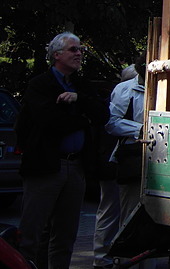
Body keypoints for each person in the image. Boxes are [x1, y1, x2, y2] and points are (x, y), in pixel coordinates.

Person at [15, 32, 109, 269]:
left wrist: (78, 100)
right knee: (33, 233)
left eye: (80, 50)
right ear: (56, 55)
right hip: (46, 166)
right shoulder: (40, 84)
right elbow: (50, 122)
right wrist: (84, 119)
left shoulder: (81, 85)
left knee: (66, 234)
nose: (79, 54)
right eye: (73, 49)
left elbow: (103, 114)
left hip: (76, 166)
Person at [105, 55, 155, 268]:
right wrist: (142, 129)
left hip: (158, 158)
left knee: (154, 214)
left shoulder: (164, 84)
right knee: (130, 215)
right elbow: (112, 123)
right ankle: (125, 261)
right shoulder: (125, 89)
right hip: (134, 156)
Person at [92, 67, 135, 269]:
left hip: (117, 160)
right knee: (110, 209)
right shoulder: (122, 95)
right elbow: (112, 126)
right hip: (113, 161)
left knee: (113, 210)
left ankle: (106, 256)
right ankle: (103, 257)